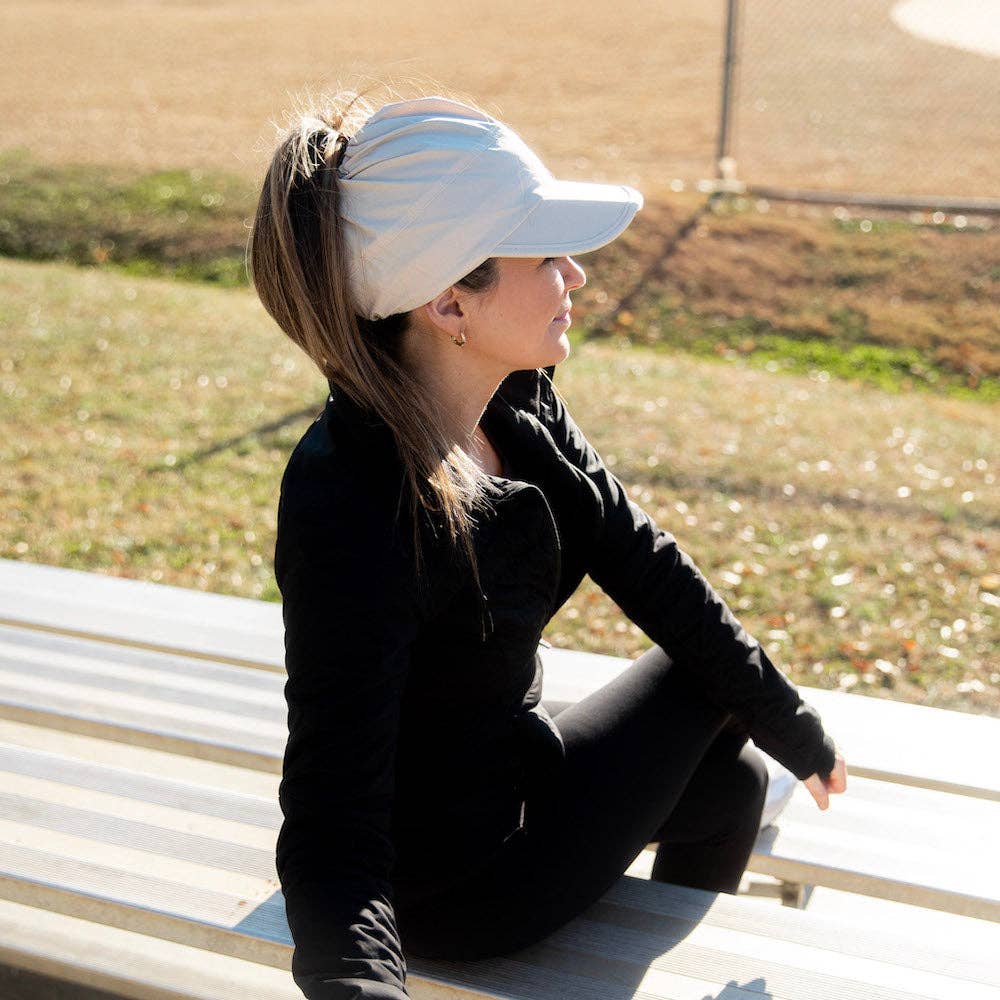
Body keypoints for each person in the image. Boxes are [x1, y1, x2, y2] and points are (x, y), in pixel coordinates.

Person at [247, 89, 848, 1000]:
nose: (577, 275)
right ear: (449, 301)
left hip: (513, 774)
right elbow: (332, 817)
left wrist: (791, 724)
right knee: (700, 687)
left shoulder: (515, 398)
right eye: (545, 254)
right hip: (454, 883)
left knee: (732, 784)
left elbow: (639, 555)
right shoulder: (351, 498)